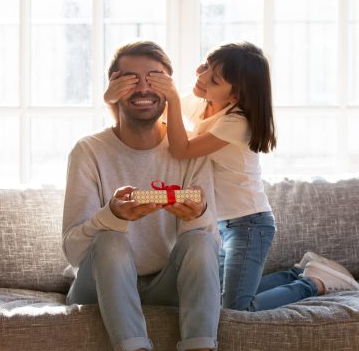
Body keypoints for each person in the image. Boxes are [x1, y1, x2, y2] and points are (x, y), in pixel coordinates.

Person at [142, 41, 359, 310]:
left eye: (215, 78)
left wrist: (172, 98)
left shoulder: (237, 122)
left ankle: (312, 284)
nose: (202, 77)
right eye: (206, 66)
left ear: (235, 96)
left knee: (237, 309)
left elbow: (181, 149)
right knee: (216, 294)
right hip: (220, 225)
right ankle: (297, 273)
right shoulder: (204, 102)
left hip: (249, 224)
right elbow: (161, 112)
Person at [63, 40, 220, 351]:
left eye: (155, 77)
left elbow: (210, 249)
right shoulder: (89, 151)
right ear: (113, 90)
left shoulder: (190, 150)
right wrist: (112, 216)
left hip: (167, 284)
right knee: (110, 241)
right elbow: (75, 252)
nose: (143, 87)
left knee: (200, 242)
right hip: (98, 286)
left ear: (170, 89)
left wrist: (197, 214)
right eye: (130, 79)